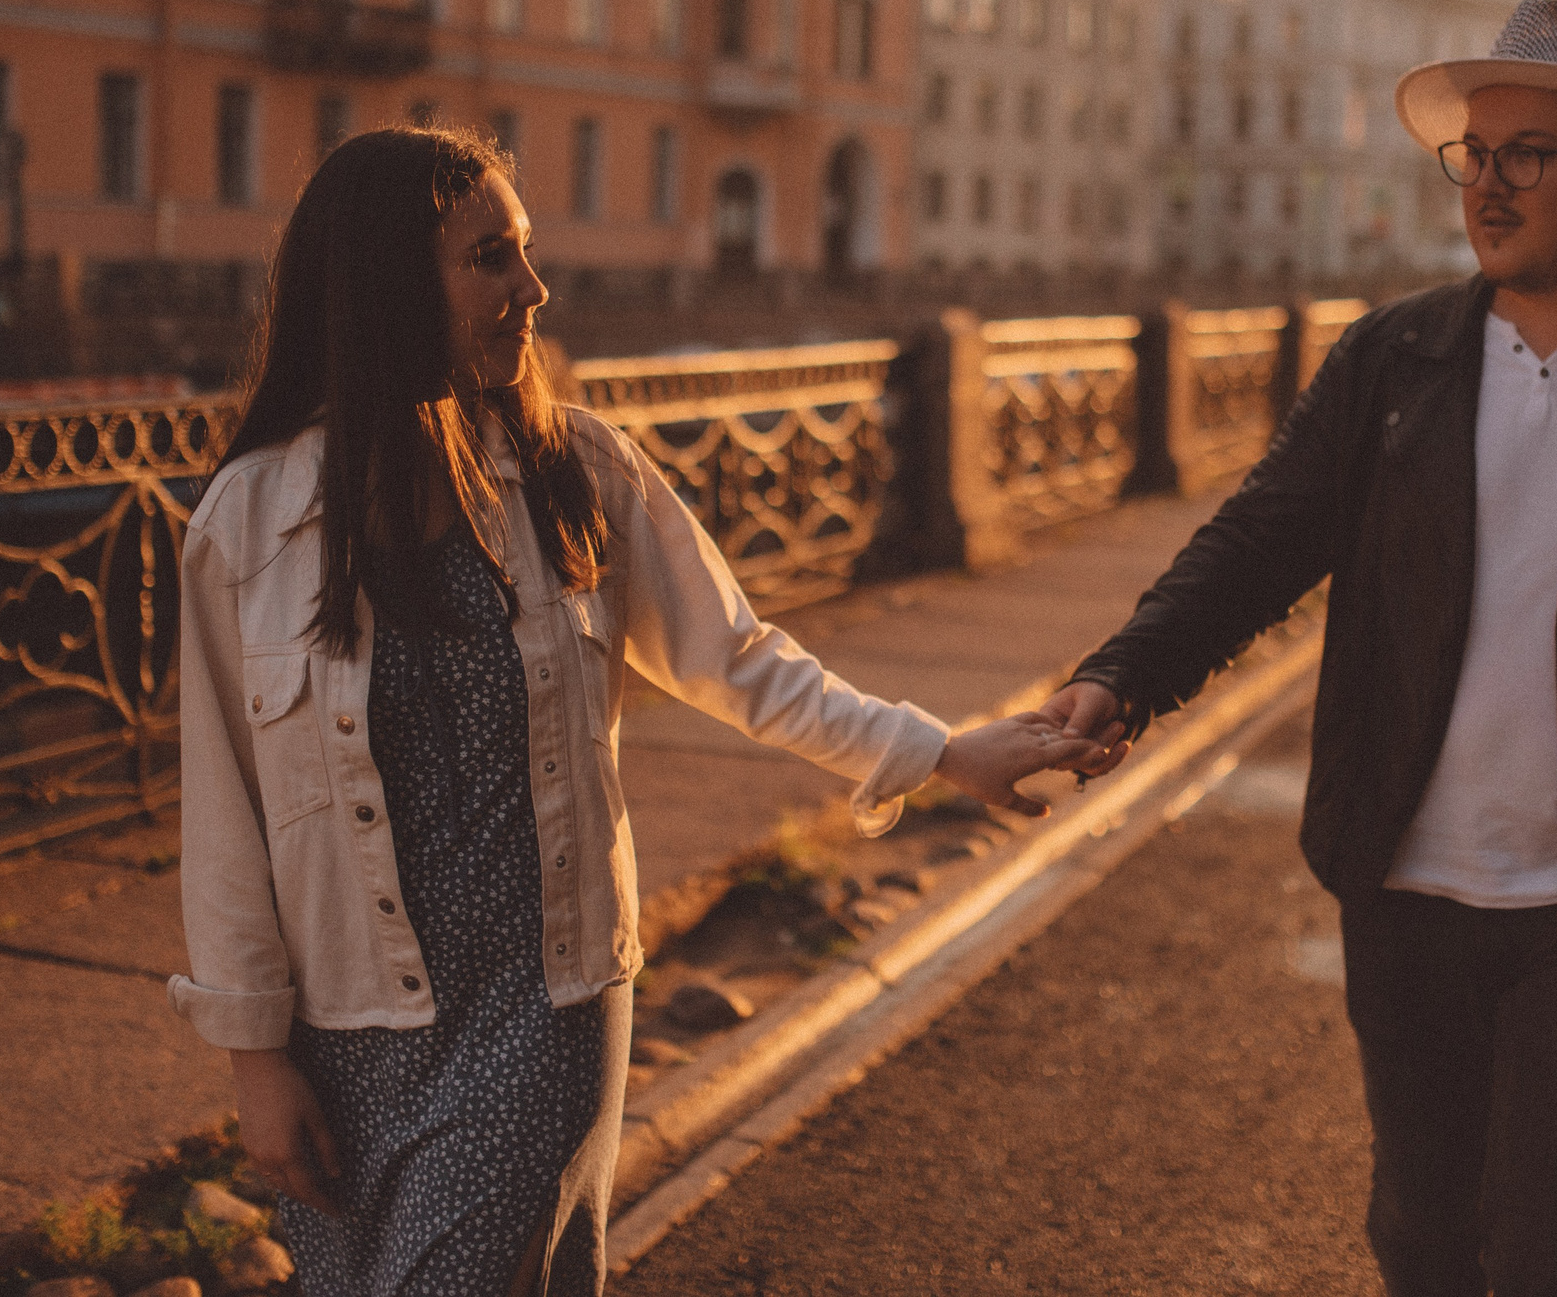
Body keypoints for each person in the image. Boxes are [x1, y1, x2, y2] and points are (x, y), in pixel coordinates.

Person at [1043, 0, 1557, 1295]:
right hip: (1403, 883)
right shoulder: (1400, 358)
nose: (1487, 186)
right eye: (1473, 155)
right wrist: (1122, 675)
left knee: (1550, 1248)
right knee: (1422, 1232)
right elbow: (1262, 537)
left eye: (1527, 154)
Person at [167, 127, 1105, 1296]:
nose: (534, 288)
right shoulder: (250, 523)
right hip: (350, 1024)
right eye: (490, 257)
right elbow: (227, 812)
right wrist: (256, 1057)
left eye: (526, 251)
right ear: (385, 281)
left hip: (546, 1002)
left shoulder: (577, 471)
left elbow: (742, 658)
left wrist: (941, 749)